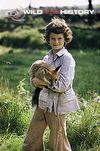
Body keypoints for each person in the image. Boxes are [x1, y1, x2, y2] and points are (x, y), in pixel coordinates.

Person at [23, 17, 80, 151]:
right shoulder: (47, 57)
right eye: (53, 38)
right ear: (48, 39)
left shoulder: (67, 59)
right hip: (43, 101)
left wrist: (42, 82)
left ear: (65, 39)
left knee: (58, 141)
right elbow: (37, 76)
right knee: (32, 137)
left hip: (58, 105)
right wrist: (34, 81)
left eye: (59, 38)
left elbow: (62, 86)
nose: (56, 41)